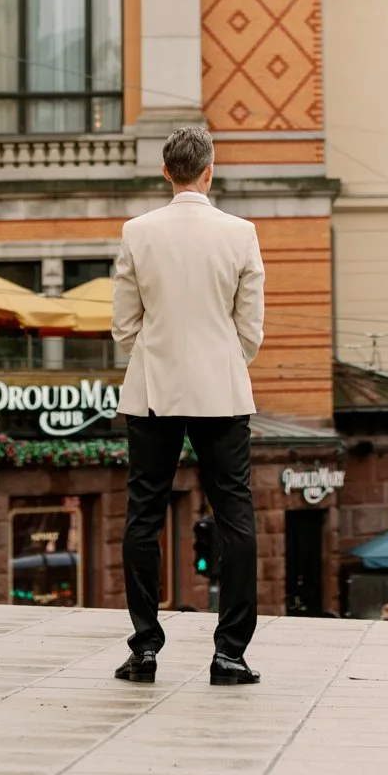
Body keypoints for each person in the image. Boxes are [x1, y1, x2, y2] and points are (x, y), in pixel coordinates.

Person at [112, 123, 265, 688]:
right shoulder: (241, 233)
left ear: (165, 172)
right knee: (236, 517)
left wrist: (154, 353)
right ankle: (230, 655)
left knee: (143, 513)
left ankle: (144, 648)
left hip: (153, 389)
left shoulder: (137, 231)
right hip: (222, 390)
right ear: (210, 169)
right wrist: (224, 356)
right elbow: (251, 328)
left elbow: (124, 325)